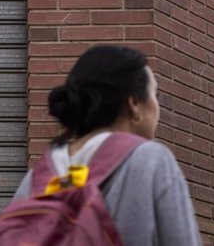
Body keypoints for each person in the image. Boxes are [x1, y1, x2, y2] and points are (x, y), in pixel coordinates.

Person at [12, 45, 201, 246]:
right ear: (134, 104)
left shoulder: (35, 180)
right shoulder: (150, 160)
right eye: (155, 94)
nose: (157, 105)